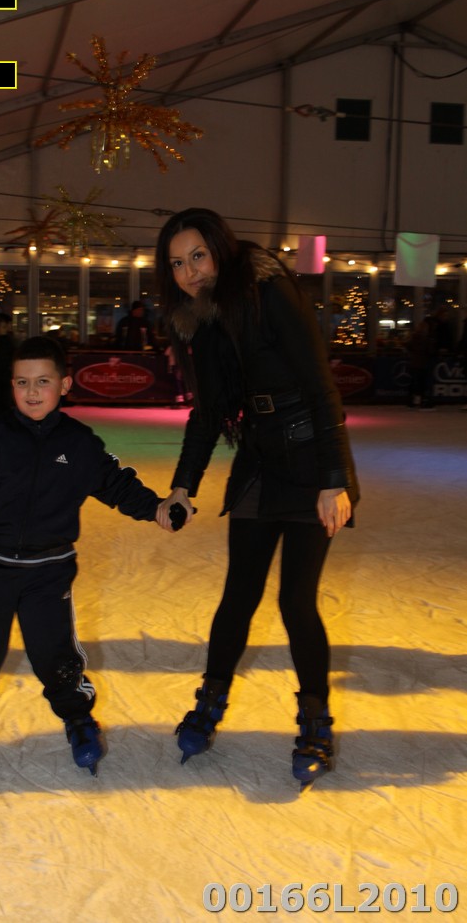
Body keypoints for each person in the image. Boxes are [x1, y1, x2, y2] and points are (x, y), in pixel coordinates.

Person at [154, 208, 360, 789]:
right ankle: (210, 702)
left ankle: (315, 721)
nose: (190, 272)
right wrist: (183, 485)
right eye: (177, 264)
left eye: (198, 255)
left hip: (310, 463)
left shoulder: (269, 291)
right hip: (258, 463)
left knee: (296, 601)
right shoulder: (203, 321)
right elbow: (208, 413)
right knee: (237, 596)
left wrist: (334, 478)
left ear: (220, 248)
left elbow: (319, 382)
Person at [0, 335, 162, 778]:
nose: (32, 392)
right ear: (11, 385)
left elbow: (115, 482)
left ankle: (78, 718)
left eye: (42, 381)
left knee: (56, 654)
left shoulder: (78, 442)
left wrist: (156, 508)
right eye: (22, 382)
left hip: (48, 571)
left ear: (64, 385)